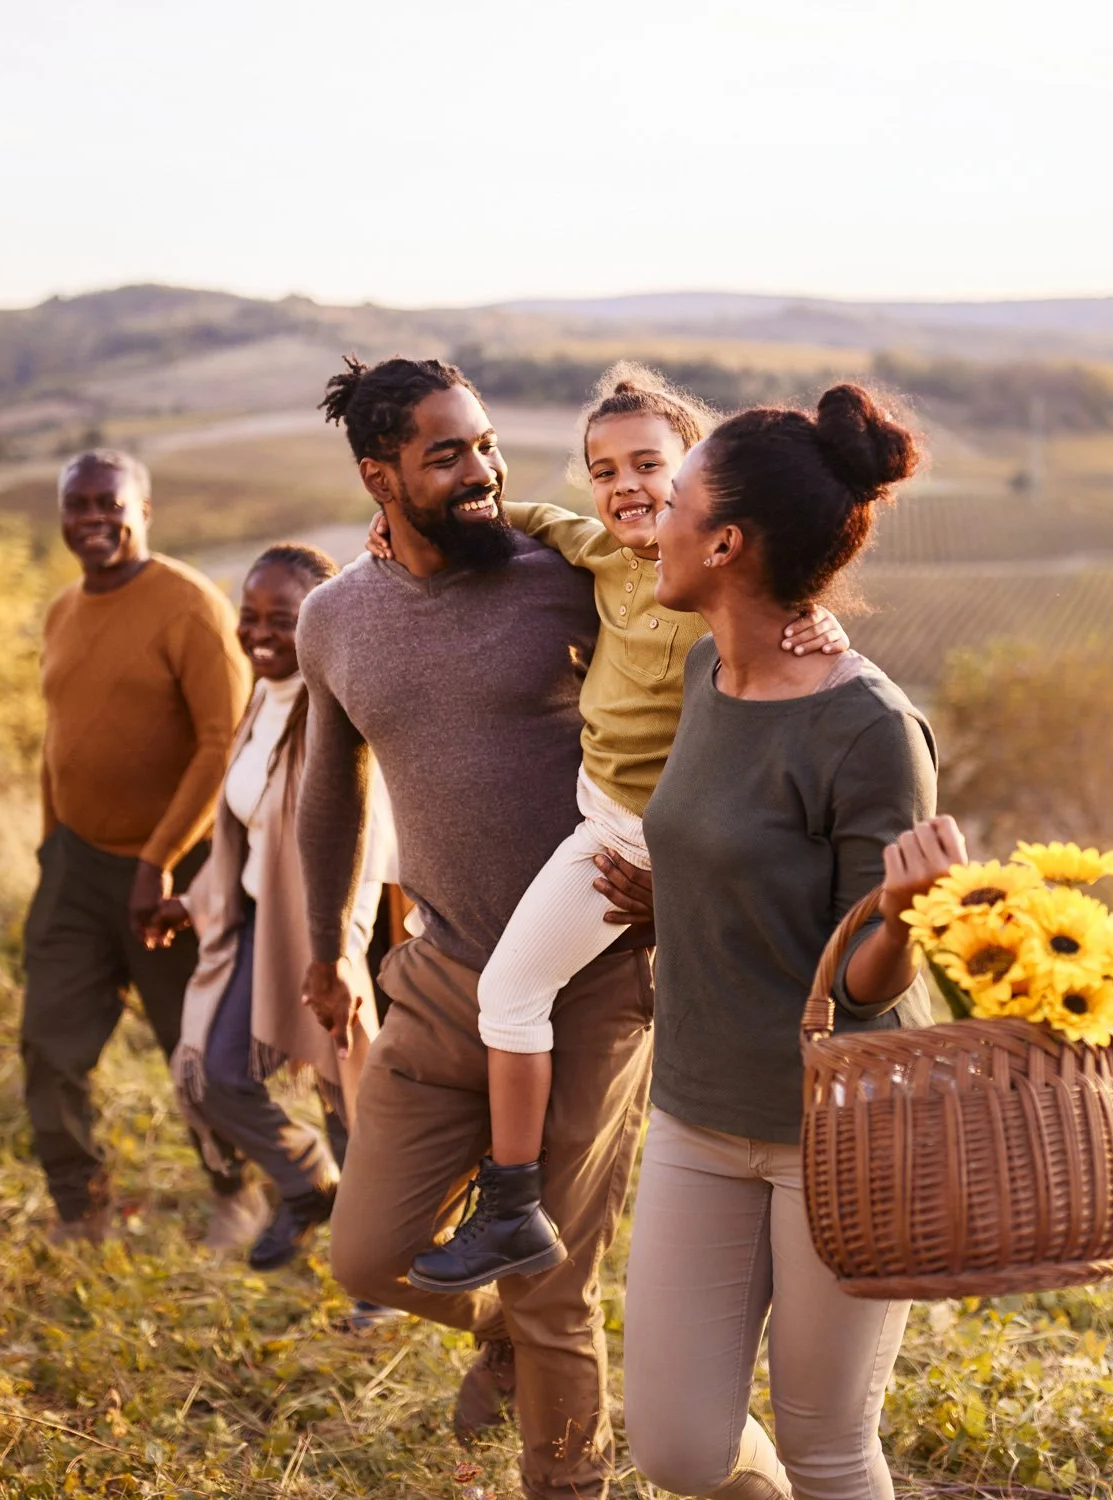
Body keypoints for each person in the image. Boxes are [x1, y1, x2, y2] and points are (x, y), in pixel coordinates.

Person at [366, 366, 848, 1292]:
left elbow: (778, 620)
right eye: (603, 469)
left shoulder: (713, 585)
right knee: (515, 989)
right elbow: (535, 518)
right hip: (596, 819)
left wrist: (813, 620)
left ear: (701, 479)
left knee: (525, 995)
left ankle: (524, 1206)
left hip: (640, 842)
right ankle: (514, 1203)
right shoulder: (604, 558)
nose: (624, 485)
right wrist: (408, 521)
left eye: (648, 465)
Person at [296, 356, 656, 1500]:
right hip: (444, 975)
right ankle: (500, 1327)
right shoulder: (333, 617)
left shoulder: (562, 579)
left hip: (593, 975)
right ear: (380, 476)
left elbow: (687, 682)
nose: (484, 471)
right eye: (448, 454)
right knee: (369, 1256)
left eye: (487, 443)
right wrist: (326, 948)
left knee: (556, 1285)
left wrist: (680, 873)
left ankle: (569, 1475)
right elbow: (327, 790)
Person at [621, 385, 966, 1500]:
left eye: (669, 499)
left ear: (724, 541)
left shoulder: (871, 729)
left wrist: (908, 915)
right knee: (677, 1450)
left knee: (828, 1444)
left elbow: (869, 983)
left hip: (842, 1135)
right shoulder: (701, 672)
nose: (648, 518)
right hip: (695, 1108)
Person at [150, 543, 400, 1289]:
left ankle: (378, 1285)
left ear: (320, 623)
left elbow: (363, 848)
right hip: (264, 923)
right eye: (248, 616)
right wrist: (190, 901)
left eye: (281, 619)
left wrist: (341, 960)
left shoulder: (345, 712)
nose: (259, 634)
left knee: (352, 1108)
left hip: (339, 938)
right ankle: (305, 1186)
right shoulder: (264, 698)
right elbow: (248, 826)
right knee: (214, 1073)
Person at [22, 449, 251, 1244]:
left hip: (174, 873)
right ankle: (81, 1212)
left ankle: (235, 1196)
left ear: (144, 510)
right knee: (48, 1042)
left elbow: (223, 745)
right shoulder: (61, 611)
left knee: (193, 1048)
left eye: (108, 504)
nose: (92, 519)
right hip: (76, 866)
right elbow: (59, 738)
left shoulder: (189, 605)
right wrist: (53, 844)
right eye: (77, 505)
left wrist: (158, 859)